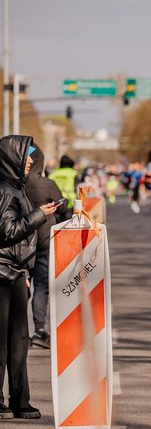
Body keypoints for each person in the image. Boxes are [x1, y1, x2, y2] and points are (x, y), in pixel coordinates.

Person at [0, 136, 60, 419]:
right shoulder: (4, 190)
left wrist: (24, 269)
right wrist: (39, 215)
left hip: (15, 271)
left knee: (19, 339)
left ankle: (20, 400)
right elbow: (8, 232)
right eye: (25, 158)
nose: (29, 163)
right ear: (12, 159)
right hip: (1, 272)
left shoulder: (17, 188)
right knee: (2, 340)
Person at [24, 145, 67, 348]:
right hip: (44, 240)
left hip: (21, 242)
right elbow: (63, 205)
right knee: (41, 286)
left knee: (20, 286)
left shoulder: (17, 184)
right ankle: (40, 329)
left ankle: (18, 328)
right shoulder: (47, 184)